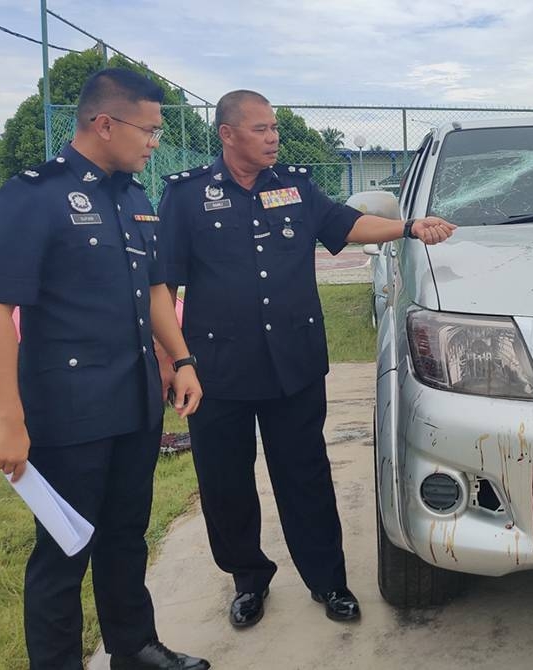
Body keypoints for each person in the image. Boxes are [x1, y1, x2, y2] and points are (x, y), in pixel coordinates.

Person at [157, 90, 454, 627]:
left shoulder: (292, 185)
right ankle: (248, 580)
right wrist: (174, 361)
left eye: (274, 128)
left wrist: (408, 227)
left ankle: (328, 581)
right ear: (227, 134)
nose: (273, 137)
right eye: (260, 129)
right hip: (217, 371)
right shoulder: (187, 196)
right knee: (226, 485)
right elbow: (162, 285)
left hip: (291, 364)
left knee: (306, 476)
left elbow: (344, 225)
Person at [0, 68, 210, 670]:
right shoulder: (32, 194)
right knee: (63, 551)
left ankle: (133, 647)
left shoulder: (135, 196)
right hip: (67, 409)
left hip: (134, 400)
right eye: (150, 128)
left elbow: (158, 289)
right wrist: (8, 417)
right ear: (105, 123)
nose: (156, 141)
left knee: (125, 535)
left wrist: (180, 359)